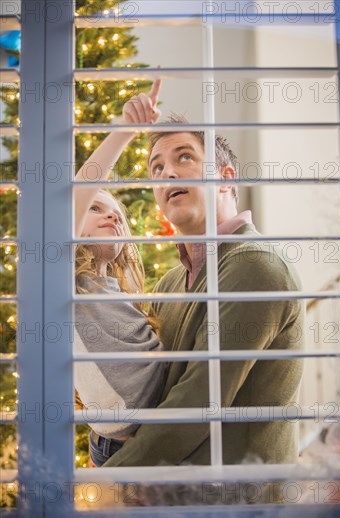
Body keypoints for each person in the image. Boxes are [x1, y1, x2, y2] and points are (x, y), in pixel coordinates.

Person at [102, 105, 304, 470]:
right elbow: (149, 389)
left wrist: (107, 482)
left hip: (236, 513)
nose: (168, 173)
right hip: (177, 505)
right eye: (157, 168)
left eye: (185, 157)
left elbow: (196, 400)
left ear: (225, 178)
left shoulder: (255, 264)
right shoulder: (170, 282)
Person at [74, 81, 167, 467]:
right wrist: (124, 133)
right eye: (95, 209)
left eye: (116, 213)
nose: (112, 215)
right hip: (126, 447)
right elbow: (75, 193)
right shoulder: (69, 282)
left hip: (163, 431)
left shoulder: (117, 288)